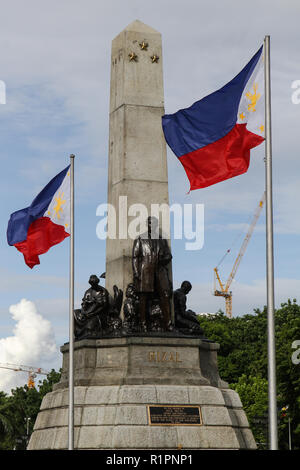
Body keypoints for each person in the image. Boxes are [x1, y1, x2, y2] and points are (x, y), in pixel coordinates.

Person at [132, 216, 173, 331]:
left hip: (160, 271)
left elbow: (168, 255)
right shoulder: (140, 239)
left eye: (154, 223)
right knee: (143, 297)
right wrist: (136, 273)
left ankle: (168, 324)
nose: (152, 225)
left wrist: (163, 260)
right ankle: (143, 324)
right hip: (145, 271)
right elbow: (135, 257)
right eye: (150, 223)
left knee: (165, 296)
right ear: (147, 225)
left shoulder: (162, 239)